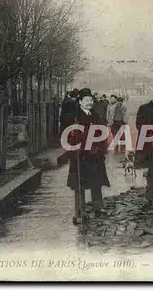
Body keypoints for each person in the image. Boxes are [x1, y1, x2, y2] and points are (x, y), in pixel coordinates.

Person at [65, 88, 110, 225]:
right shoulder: (74, 117)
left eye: (91, 100)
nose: (89, 102)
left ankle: (98, 206)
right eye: (86, 100)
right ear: (80, 102)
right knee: (80, 185)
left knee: (96, 181)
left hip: (95, 154)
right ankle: (80, 212)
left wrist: (102, 148)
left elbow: (102, 133)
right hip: (81, 155)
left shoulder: (95, 115)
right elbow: (67, 135)